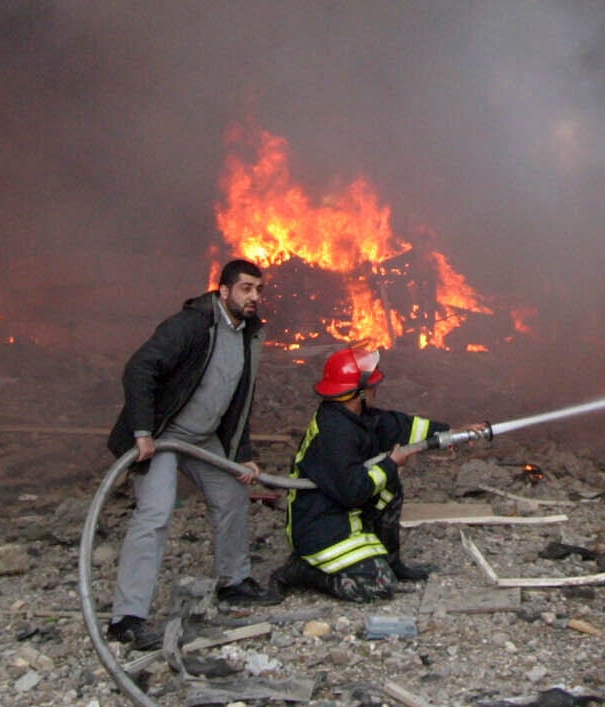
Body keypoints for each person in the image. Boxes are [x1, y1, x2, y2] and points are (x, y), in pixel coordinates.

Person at [104, 258, 281, 650]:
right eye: (246, 289)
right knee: (155, 513)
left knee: (233, 494)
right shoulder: (190, 325)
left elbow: (239, 401)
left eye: (258, 289)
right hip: (163, 435)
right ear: (224, 291)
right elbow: (139, 369)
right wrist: (143, 431)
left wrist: (243, 453)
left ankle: (233, 581)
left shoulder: (250, 334)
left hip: (203, 439)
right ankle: (127, 618)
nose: (254, 297)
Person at [279, 347, 448, 603]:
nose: (375, 390)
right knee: (378, 587)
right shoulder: (335, 433)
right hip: (321, 527)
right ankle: (304, 572)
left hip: (340, 514)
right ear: (357, 393)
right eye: (371, 386)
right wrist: (391, 464)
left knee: (390, 486)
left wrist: (449, 433)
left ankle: (392, 563)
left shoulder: (356, 416)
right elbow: (353, 491)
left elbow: (400, 426)